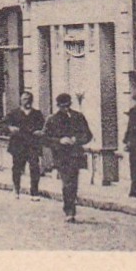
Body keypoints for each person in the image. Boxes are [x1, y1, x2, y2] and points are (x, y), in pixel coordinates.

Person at [45, 93, 94, 222]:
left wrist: (76, 139)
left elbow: (88, 135)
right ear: (58, 106)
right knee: (67, 182)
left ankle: (70, 207)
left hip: (75, 154)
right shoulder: (52, 119)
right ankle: (69, 211)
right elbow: (45, 139)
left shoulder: (78, 117)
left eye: (67, 106)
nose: (65, 109)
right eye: (62, 107)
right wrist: (59, 141)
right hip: (61, 156)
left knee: (74, 182)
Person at [2, 91, 45, 199]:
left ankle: (34, 192)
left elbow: (44, 127)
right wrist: (10, 128)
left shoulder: (37, 114)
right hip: (18, 144)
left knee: (34, 168)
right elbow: (2, 124)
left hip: (32, 144)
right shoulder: (14, 113)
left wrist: (40, 132)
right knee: (17, 168)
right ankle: (16, 189)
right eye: (25, 99)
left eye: (29, 98)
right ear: (21, 101)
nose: (27, 101)